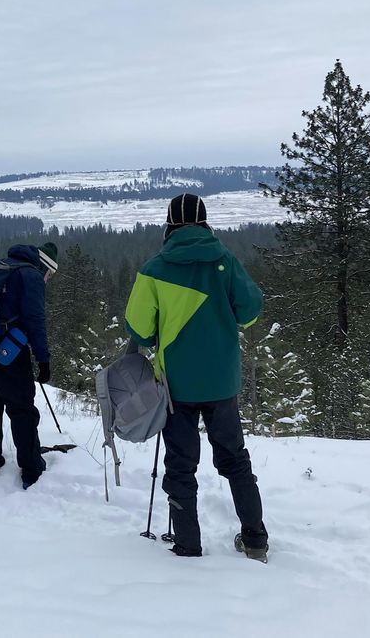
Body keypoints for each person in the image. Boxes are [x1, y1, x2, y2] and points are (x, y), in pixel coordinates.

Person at [124, 193, 269, 561]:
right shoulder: (225, 260)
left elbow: (139, 330)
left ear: (170, 224)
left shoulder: (155, 268)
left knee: (181, 463)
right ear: (204, 222)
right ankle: (255, 539)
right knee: (235, 459)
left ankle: (188, 545)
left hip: (176, 385)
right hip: (221, 380)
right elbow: (250, 311)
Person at [0, 242, 59, 489]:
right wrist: (43, 359)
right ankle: (32, 469)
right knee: (22, 409)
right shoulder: (30, 276)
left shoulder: (0, 267)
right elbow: (35, 321)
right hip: (8, 352)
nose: (48, 278)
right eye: (50, 274)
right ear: (45, 266)